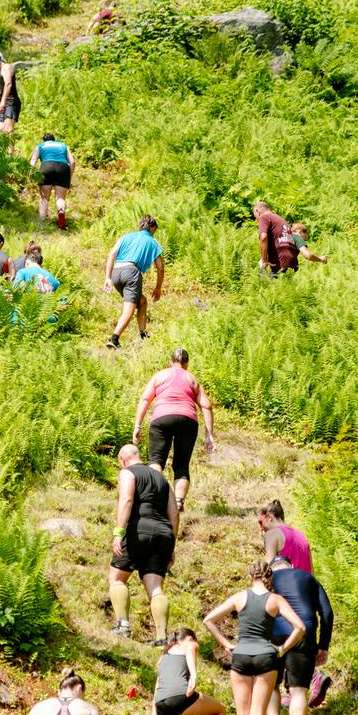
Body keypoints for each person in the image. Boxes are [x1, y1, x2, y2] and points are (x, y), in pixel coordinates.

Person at [203, 561, 306, 715]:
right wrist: (283, 648)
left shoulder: (240, 597)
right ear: (270, 577)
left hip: (241, 655)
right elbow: (300, 627)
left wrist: (226, 644)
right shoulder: (275, 599)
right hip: (266, 657)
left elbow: (209, 620)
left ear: (251, 576)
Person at [109, 444, 179, 646]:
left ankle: (122, 625)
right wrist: (172, 544)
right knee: (156, 587)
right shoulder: (162, 479)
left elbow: (127, 499)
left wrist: (118, 532)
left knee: (117, 578)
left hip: (139, 529)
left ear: (123, 460)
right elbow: (174, 513)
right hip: (164, 534)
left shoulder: (127, 473)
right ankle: (161, 637)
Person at [133, 348, 215, 512]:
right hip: (187, 420)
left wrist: (137, 425)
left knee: (156, 461)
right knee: (181, 465)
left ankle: (153, 499)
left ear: (170, 362)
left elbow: (144, 399)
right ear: (187, 364)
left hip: (162, 418)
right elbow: (206, 405)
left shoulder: (160, 376)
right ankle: (178, 502)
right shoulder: (191, 378)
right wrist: (209, 435)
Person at [265, 555, 334, 715]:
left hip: (274, 633)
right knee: (298, 691)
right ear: (291, 565)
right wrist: (323, 645)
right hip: (304, 632)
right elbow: (327, 613)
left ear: (272, 568)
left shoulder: (267, 579)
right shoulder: (308, 577)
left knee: (271, 683)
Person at [103, 215, 164, 349]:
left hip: (116, 272)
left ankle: (143, 333)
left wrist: (107, 278)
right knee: (128, 310)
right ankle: (114, 338)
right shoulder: (152, 241)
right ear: (152, 228)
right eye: (155, 230)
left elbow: (112, 254)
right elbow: (160, 267)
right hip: (132, 273)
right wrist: (158, 287)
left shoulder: (126, 237)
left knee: (141, 301)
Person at [30, 133, 75, 229]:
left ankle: (42, 220)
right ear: (54, 140)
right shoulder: (63, 145)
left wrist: (31, 174)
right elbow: (72, 162)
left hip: (47, 166)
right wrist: (69, 175)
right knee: (60, 198)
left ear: (44, 140)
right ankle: (61, 213)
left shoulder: (40, 146)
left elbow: (33, 161)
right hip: (63, 168)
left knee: (44, 198)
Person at [256, 499, 313, 572]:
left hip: (286, 582)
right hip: (307, 583)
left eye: (261, 523)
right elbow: (312, 575)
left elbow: (268, 572)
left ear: (269, 517)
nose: (261, 528)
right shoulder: (302, 536)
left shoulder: (272, 534)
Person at [253, 200, 298, 274]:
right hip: (292, 263)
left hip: (279, 262)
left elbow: (263, 237)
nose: (257, 220)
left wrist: (264, 260)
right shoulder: (280, 219)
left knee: (263, 283)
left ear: (257, 211)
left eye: (255, 217)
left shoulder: (264, 217)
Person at [0, 50, 21, 139]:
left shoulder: (6, 67)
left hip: (11, 102)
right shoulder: (0, 70)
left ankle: (10, 153)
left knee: (8, 130)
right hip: (5, 104)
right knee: (0, 131)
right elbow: (1, 86)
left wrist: (2, 102)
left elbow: (8, 84)